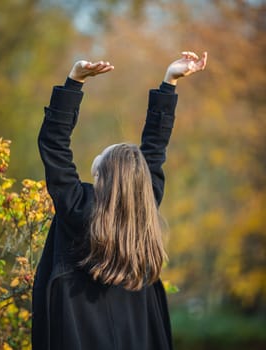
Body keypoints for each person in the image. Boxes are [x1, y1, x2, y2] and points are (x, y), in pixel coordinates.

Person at [32, 51, 207, 350]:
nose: (98, 153)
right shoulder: (145, 205)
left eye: (103, 153)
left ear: (103, 172)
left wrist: (74, 82)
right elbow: (154, 149)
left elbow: (54, 143)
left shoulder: (78, 208)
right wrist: (169, 82)